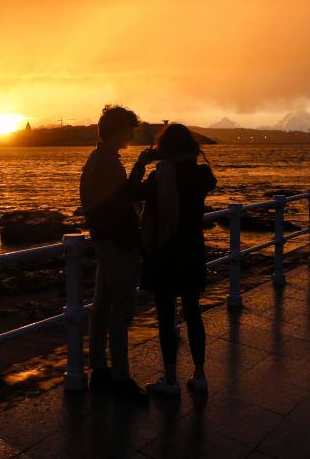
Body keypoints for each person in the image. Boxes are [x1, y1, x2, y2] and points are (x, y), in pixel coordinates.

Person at [129, 123, 216, 397]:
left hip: (164, 252)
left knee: (166, 316)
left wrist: (141, 163)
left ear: (163, 148)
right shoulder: (202, 175)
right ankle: (199, 374)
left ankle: (170, 379)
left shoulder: (160, 177)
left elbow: (131, 192)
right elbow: (208, 182)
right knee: (193, 313)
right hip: (192, 250)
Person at [80, 105, 147, 402]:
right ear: (119, 130)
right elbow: (121, 202)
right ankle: (121, 377)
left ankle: (99, 369)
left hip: (104, 241)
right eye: (129, 129)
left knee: (102, 307)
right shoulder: (107, 162)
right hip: (118, 243)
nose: (132, 134)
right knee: (120, 311)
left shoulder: (97, 159)